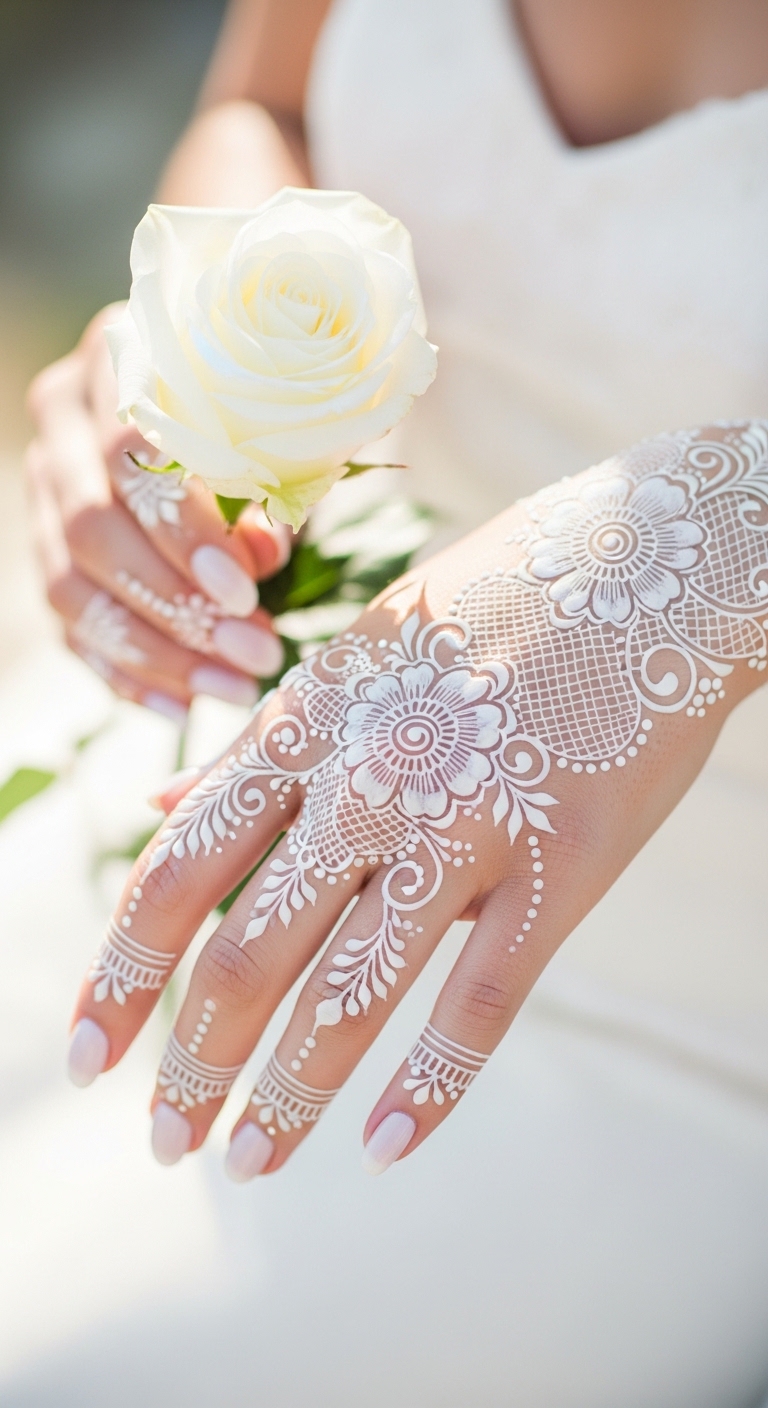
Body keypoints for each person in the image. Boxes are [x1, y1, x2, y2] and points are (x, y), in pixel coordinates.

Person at [23, 3, 768, 1404]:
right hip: (309, 746)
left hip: (684, 1009)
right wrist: (183, 362)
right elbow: (274, 103)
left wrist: (721, 543)